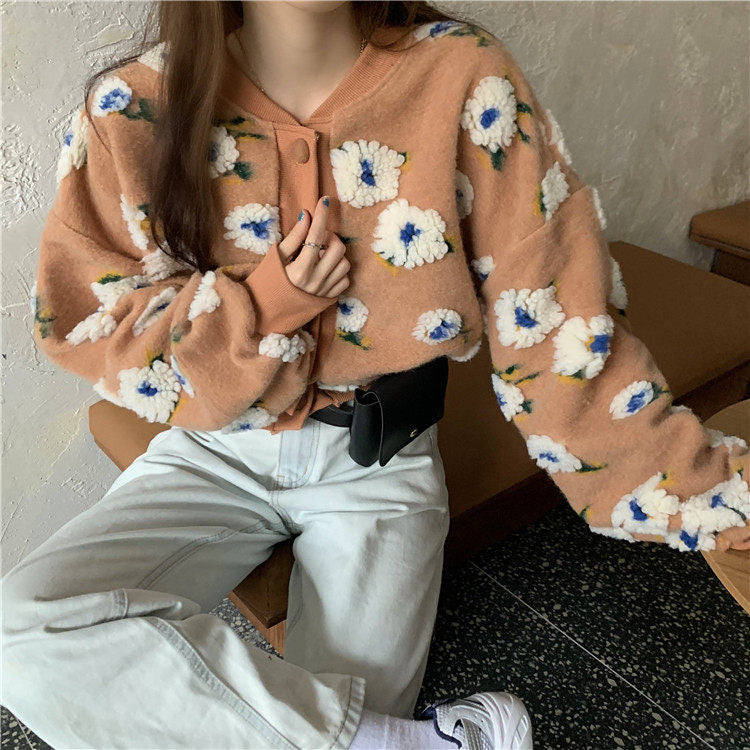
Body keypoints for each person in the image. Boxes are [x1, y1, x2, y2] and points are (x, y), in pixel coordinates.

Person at [2, 1, 748, 748]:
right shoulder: (133, 108)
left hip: (381, 469)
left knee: (322, 715)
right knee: (19, 636)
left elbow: (558, 328)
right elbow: (93, 324)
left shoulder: (461, 77)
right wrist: (259, 309)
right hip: (211, 452)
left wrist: (718, 496)